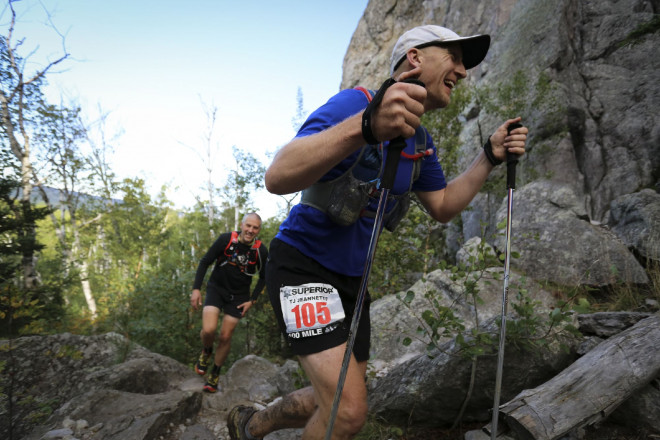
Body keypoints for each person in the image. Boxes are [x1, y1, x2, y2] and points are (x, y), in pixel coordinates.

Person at [226, 24, 528, 439]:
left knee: (330, 396)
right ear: (416, 57)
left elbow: (442, 206)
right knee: (347, 413)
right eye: (455, 57)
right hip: (303, 268)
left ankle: (251, 424)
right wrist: (366, 126)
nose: (463, 70)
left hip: (354, 281)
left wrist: (489, 157)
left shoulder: (419, 140)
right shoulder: (356, 102)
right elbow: (278, 176)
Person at [190, 212, 268, 393]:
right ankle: (206, 350)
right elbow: (204, 262)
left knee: (225, 336)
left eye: (255, 227)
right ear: (242, 225)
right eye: (248, 225)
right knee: (209, 330)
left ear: (258, 230)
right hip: (216, 289)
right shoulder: (226, 240)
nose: (250, 230)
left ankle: (215, 373)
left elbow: (265, 277)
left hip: (239, 297)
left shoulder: (260, 251)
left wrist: (252, 300)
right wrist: (196, 289)